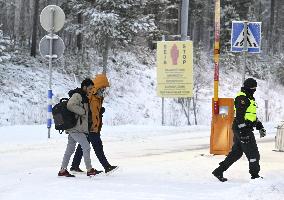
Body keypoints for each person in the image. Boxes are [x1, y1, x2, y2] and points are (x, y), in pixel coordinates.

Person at [212, 78, 267, 182]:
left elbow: (250, 116)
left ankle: (219, 171)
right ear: (248, 87)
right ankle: (255, 176)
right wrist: (243, 132)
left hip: (242, 128)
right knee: (253, 153)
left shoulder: (249, 98)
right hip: (242, 129)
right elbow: (240, 117)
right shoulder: (242, 98)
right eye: (253, 88)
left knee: (236, 153)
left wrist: (259, 125)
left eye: (255, 88)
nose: (254, 90)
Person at [70, 74, 118, 174]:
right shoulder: (92, 95)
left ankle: (74, 166)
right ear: (99, 85)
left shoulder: (98, 96)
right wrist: (91, 123)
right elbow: (88, 111)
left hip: (93, 126)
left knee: (83, 146)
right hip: (90, 126)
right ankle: (107, 166)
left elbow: (94, 111)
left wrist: (100, 111)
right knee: (98, 146)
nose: (104, 89)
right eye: (103, 87)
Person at [58, 78, 101, 177]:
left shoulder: (84, 96)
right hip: (75, 128)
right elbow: (70, 105)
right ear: (84, 87)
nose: (91, 90)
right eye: (90, 88)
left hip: (75, 127)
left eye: (92, 88)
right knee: (86, 146)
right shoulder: (77, 95)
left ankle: (62, 170)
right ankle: (89, 169)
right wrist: (83, 111)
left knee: (70, 149)